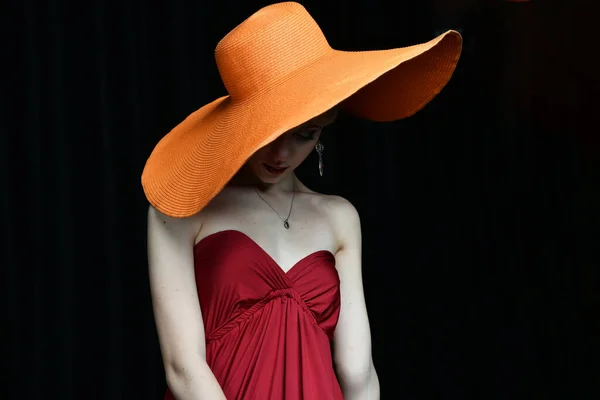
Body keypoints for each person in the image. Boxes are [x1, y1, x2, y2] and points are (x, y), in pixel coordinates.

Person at [142, 2, 462, 399]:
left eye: (304, 134)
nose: (281, 154)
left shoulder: (339, 217)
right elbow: (182, 367)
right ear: (241, 125)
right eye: (270, 132)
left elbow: (358, 370)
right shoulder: (182, 211)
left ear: (324, 130)